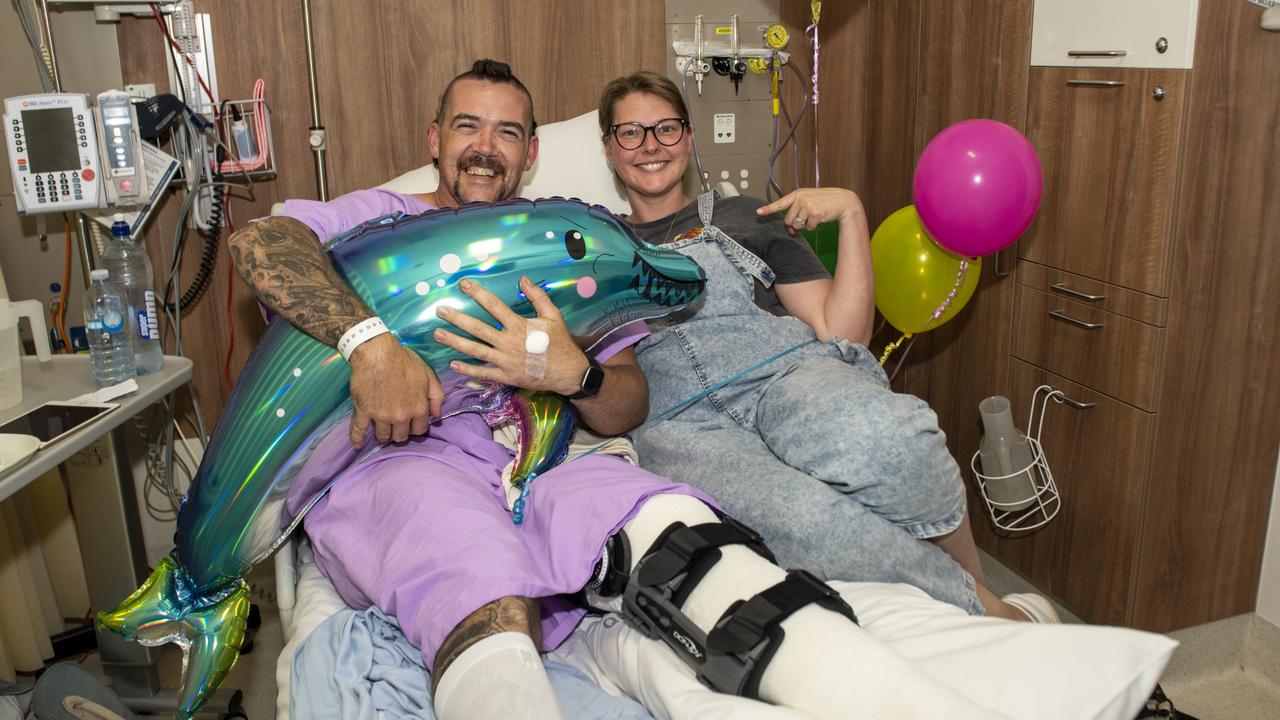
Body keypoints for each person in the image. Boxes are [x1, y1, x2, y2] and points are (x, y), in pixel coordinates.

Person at [228, 60, 1005, 720]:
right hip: (411, 458)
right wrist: (369, 345)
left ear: (531, 155)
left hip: (545, 460)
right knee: (474, 568)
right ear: (436, 141)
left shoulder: (573, 251)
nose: (485, 149)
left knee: (669, 520)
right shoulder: (385, 221)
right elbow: (264, 239)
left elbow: (628, 396)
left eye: (507, 134)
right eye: (468, 127)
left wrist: (579, 374)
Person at [597, 70, 1056, 624]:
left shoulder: (748, 215)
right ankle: (995, 616)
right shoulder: (591, 245)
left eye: (666, 129)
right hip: (679, 420)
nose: (651, 146)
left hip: (781, 373)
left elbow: (844, 333)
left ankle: (982, 596)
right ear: (608, 149)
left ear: (690, 139)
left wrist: (852, 215)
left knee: (891, 438)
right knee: (804, 519)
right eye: (631, 132)